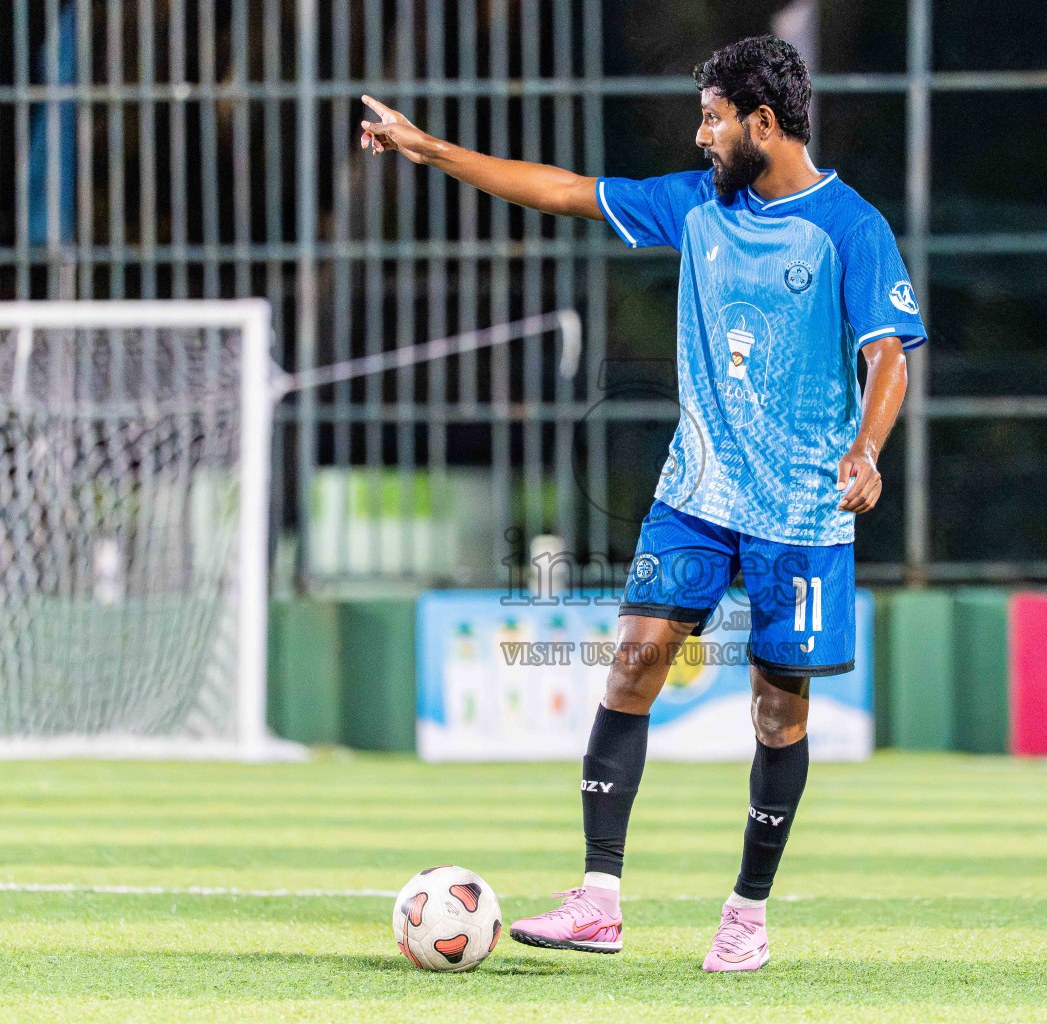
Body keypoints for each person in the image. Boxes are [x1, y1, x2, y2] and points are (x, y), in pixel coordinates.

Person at [361, 34, 921, 971]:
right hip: (696, 493)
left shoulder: (850, 228)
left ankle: (746, 913)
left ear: (763, 123)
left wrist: (866, 446)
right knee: (631, 667)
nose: (699, 136)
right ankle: (599, 896)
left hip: (800, 515)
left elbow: (888, 355)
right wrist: (432, 151)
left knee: (778, 717)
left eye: (712, 118)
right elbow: (563, 188)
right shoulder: (698, 206)